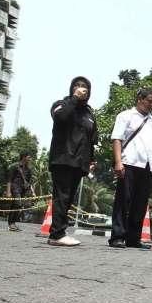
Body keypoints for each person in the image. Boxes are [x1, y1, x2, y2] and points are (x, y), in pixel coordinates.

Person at [108, 88, 152, 249]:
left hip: (147, 166)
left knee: (140, 203)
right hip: (129, 163)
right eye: (149, 101)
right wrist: (118, 162)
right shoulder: (125, 116)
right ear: (140, 99)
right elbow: (117, 139)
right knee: (123, 200)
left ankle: (134, 238)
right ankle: (117, 237)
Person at [48, 76, 98, 246]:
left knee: (68, 198)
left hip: (79, 162)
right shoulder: (61, 104)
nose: (81, 88)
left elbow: (92, 138)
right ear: (71, 88)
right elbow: (61, 118)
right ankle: (56, 234)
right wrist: (74, 99)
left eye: (84, 87)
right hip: (63, 158)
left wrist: (91, 160)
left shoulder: (89, 113)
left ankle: (59, 232)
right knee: (61, 196)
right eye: (77, 86)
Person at [4, 151, 34, 231]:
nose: (30, 159)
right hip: (15, 187)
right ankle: (11, 224)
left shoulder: (28, 169)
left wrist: (31, 191)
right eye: (29, 157)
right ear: (24, 157)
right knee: (18, 204)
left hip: (23, 189)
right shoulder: (14, 166)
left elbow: (29, 182)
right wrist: (8, 191)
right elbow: (9, 179)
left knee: (16, 206)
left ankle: (12, 224)